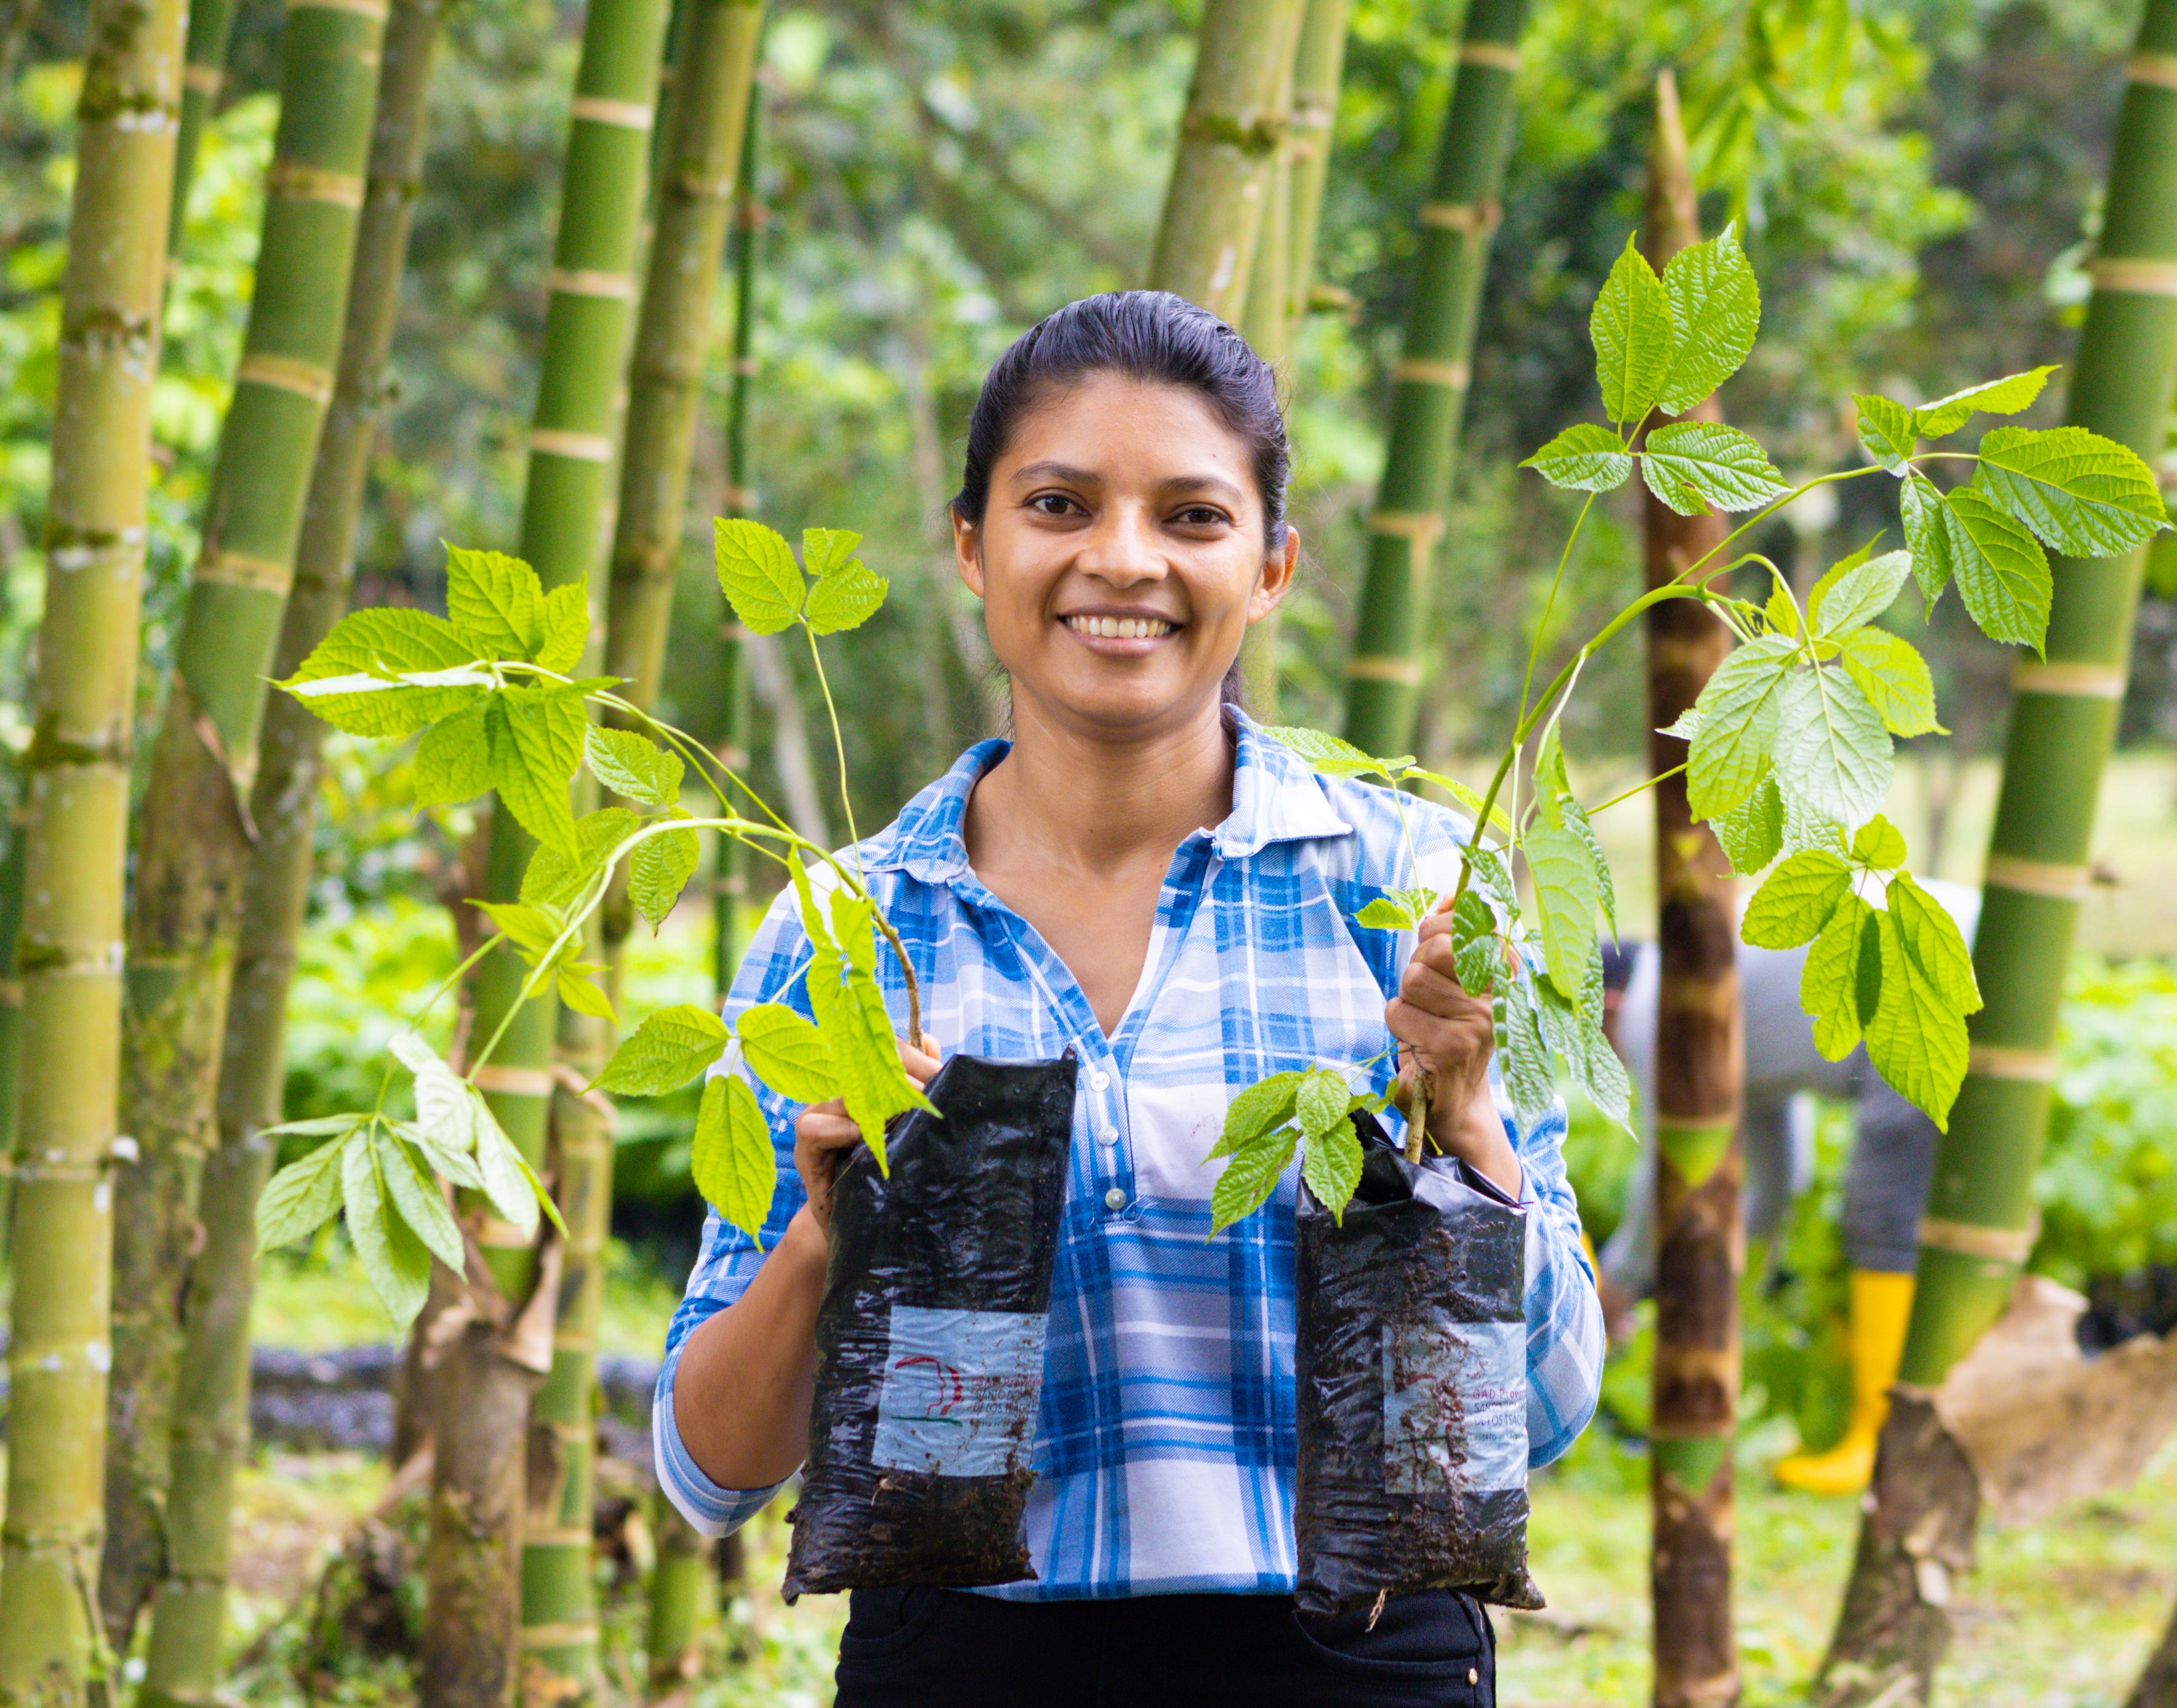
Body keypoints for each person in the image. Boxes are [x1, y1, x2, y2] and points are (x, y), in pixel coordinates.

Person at [652, 291, 1605, 1707]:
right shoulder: (852, 931)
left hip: (1352, 1652)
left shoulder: (1415, 899)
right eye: (1059, 503)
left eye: (1191, 516)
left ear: (1271, 567)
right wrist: (820, 1240)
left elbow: (1540, 1414)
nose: (1122, 558)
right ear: (971, 546)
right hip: (962, 1656)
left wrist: (1465, 1130)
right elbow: (710, 1473)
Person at [1594, 880, 1979, 1495]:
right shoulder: (1699, 978)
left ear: (1608, 1005)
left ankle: (1880, 1443)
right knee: (1927, 1211)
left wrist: (1613, 1289)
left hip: (1930, 971)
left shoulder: (1657, 1007)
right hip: (1978, 936)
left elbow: (1666, 1175)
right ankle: (1909, 1428)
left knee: (1882, 1211)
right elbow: (1778, 1176)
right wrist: (1742, 1287)